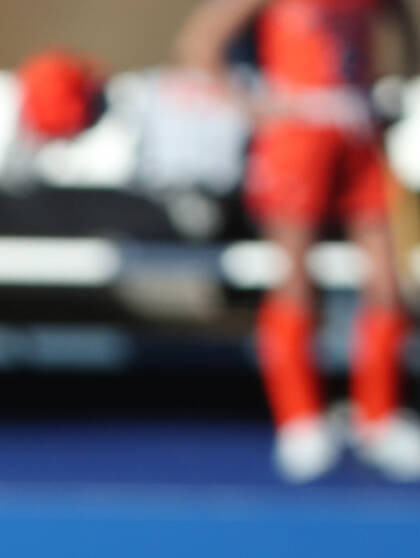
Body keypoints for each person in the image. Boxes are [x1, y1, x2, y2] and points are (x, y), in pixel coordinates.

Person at [176, 0, 420, 480]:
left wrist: (397, 85)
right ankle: (300, 420)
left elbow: (400, 21)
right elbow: (199, 43)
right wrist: (254, 105)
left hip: (358, 132)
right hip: (296, 135)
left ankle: (379, 416)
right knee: (295, 278)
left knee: (388, 279)